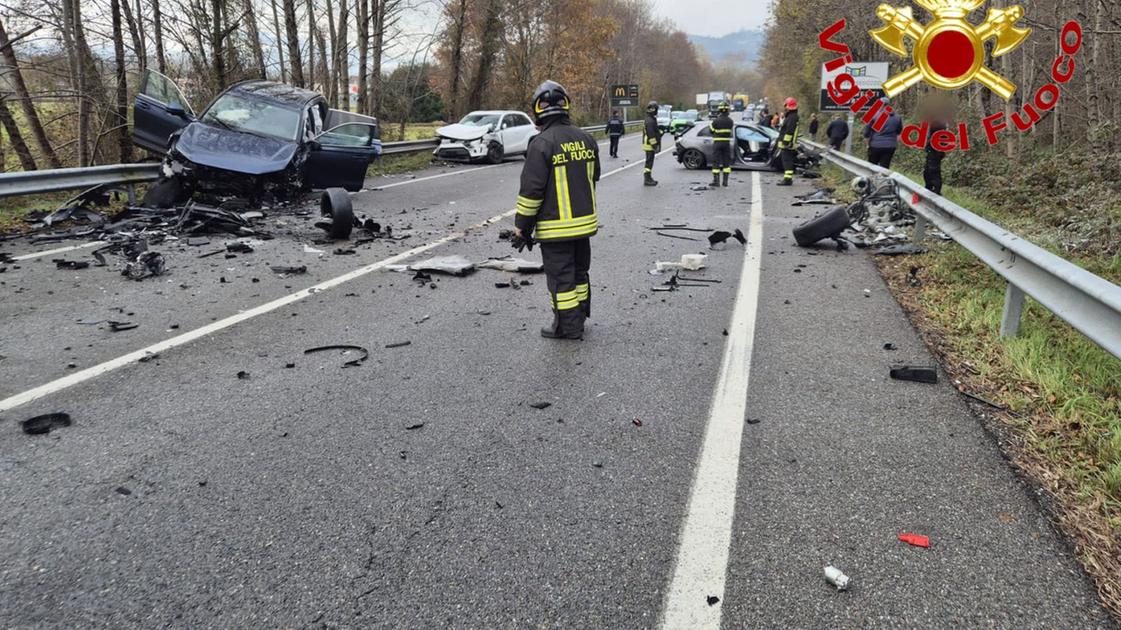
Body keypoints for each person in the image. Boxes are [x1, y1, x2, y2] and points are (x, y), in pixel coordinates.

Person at [514, 80, 600, 340]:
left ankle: (567, 327)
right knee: (579, 273)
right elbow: (594, 176)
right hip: (584, 225)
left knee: (561, 280)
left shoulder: (541, 144)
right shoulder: (586, 139)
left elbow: (531, 192)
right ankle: (581, 315)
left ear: (538, 111)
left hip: (555, 228)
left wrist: (522, 227)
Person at [863, 97, 903, 168]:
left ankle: (873, 178)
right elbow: (899, 132)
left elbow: (867, 132)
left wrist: (867, 142)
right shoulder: (897, 117)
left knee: (872, 166)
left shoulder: (873, 115)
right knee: (885, 166)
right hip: (890, 146)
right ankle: (883, 178)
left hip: (875, 145)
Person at [923, 103, 950, 195]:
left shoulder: (937, 123)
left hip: (935, 149)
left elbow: (931, 136)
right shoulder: (943, 123)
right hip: (937, 149)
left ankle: (936, 190)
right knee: (928, 170)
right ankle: (930, 187)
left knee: (933, 170)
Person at [776, 97, 800, 186]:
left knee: (787, 161)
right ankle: (787, 179)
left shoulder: (792, 117)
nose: (785, 107)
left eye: (785, 105)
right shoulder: (792, 116)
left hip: (788, 144)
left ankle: (787, 179)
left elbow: (789, 131)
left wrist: (785, 142)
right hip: (789, 144)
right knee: (787, 161)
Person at [709, 101, 734, 187]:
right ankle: (725, 182)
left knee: (716, 162)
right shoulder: (730, 121)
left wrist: (716, 131)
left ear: (719, 110)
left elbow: (711, 130)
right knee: (726, 162)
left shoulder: (716, 121)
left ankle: (716, 182)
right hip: (726, 143)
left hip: (717, 143)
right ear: (727, 110)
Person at [642, 100, 661, 186]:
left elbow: (654, 132)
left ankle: (649, 178)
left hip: (649, 143)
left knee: (649, 162)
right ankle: (647, 179)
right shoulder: (650, 120)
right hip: (649, 144)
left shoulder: (650, 119)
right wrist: (654, 145)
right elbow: (651, 134)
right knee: (649, 162)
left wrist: (660, 132)